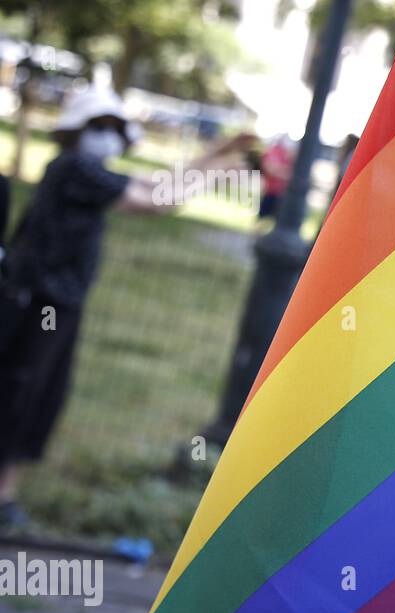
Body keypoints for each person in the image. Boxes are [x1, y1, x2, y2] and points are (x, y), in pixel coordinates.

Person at [0, 85, 249, 529]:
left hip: (60, 303)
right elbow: (156, 201)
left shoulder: (87, 173)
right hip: (39, 302)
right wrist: (219, 172)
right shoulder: (73, 168)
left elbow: (155, 186)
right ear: (76, 130)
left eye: (114, 128)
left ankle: (7, 495)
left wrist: (215, 153)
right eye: (98, 126)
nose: (107, 136)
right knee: (20, 394)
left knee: (40, 397)